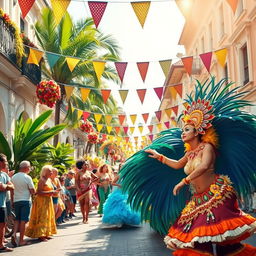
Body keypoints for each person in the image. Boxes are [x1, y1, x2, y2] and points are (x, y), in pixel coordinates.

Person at [120, 78, 256, 256]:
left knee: (224, 245)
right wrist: (159, 156)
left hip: (218, 195)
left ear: (198, 131)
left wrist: (184, 181)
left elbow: (204, 166)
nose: (182, 133)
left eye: (187, 130)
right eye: (183, 130)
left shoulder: (208, 147)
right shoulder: (189, 154)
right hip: (198, 199)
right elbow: (176, 165)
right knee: (196, 242)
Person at [25, 165, 57, 241]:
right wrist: (51, 192)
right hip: (41, 201)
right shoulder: (42, 180)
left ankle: (46, 233)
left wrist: (54, 192)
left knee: (48, 216)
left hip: (48, 201)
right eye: (50, 171)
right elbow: (38, 192)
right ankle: (41, 235)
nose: (51, 172)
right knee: (42, 217)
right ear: (45, 172)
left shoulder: (49, 180)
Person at [11, 161, 35, 247]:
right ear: (26, 168)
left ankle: (14, 234)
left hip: (16, 200)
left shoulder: (13, 177)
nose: (30, 169)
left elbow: (12, 190)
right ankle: (21, 240)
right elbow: (33, 191)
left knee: (17, 219)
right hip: (25, 200)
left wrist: (12, 201)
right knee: (23, 220)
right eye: (29, 167)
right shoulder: (27, 177)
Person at [75, 160, 97, 224]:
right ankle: (83, 217)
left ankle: (87, 218)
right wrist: (78, 189)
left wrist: (91, 182)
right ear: (81, 166)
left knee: (87, 203)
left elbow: (96, 178)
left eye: (87, 164)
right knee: (82, 204)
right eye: (85, 164)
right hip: (81, 190)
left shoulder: (90, 172)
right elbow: (76, 182)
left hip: (88, 189)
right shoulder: (78, 173)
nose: (87, 165)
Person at [0, 154, 14, 252]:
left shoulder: (4, 175)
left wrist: (5, 186)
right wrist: (5, 187)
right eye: (5, 161)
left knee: (2, 225)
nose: (6, 163)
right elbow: (1, 188)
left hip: (2, 204)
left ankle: (1, 245)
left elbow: (12, 186)